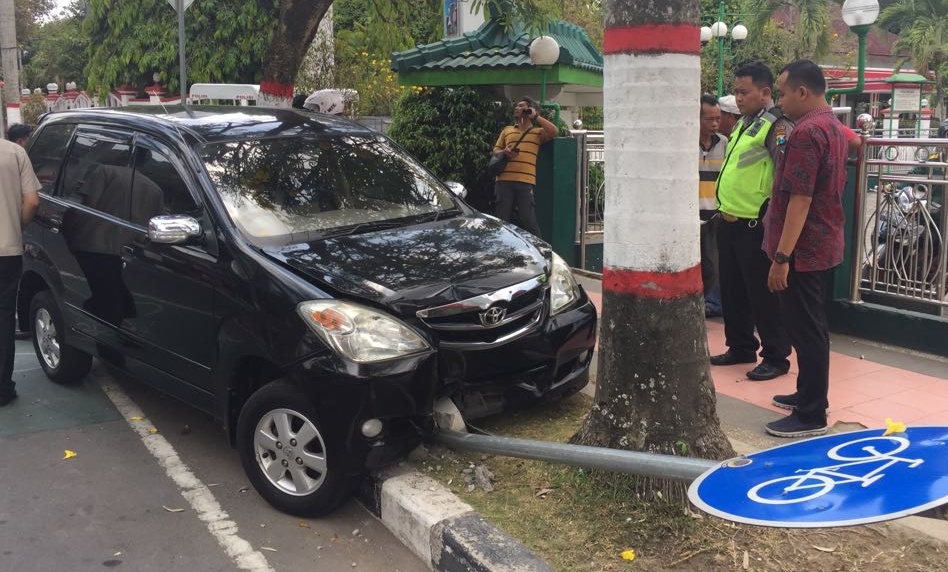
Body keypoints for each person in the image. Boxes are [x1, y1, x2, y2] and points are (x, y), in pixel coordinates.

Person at [762, 60, 850, 437]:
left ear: (802, 92)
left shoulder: (805, 133)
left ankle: (812, 413)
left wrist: (782, 258)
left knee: (807, 328)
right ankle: (807, 394)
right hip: (822, 243)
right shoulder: (834, 126)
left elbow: (799, 199)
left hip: (802, 250)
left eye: (781, 92)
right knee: (808, 326)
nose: (779, 101)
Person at [710, 61, 792, 381]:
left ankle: (776, 355)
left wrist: (772, 219)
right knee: (732, 289)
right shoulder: (745, 123)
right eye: (736, 91)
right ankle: (741, 345)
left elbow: (784, 175)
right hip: (728, 218)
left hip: (754, 223)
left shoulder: (778, 126)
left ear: (765, 92)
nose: (738, 97)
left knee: (762, 293)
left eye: (744, 92)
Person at [0, 130, 42, 405]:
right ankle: (2, 388)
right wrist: (16, 227)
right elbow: (33, 201)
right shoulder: (14, 153)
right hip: (7, 251)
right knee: (4, 316)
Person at [491, 96, 558, 236]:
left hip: (525, 182)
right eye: (517, 106)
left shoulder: (537, 133)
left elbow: (554, 131)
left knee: (529, 221)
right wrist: (505, 152)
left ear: (529, 110)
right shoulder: (507, 130)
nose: (516, 108)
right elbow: (495, 151)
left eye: (521, 106)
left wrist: (536, 117)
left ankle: (540, 252)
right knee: (502, 221)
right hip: (504, 181)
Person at [699, 95, 727, 318]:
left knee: (713, 266)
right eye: (710, 119)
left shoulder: (725, 144)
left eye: (717, 118)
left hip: (715, 215)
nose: (715, 123)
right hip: (691, 216)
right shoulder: (685, 145)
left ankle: (709, 304)